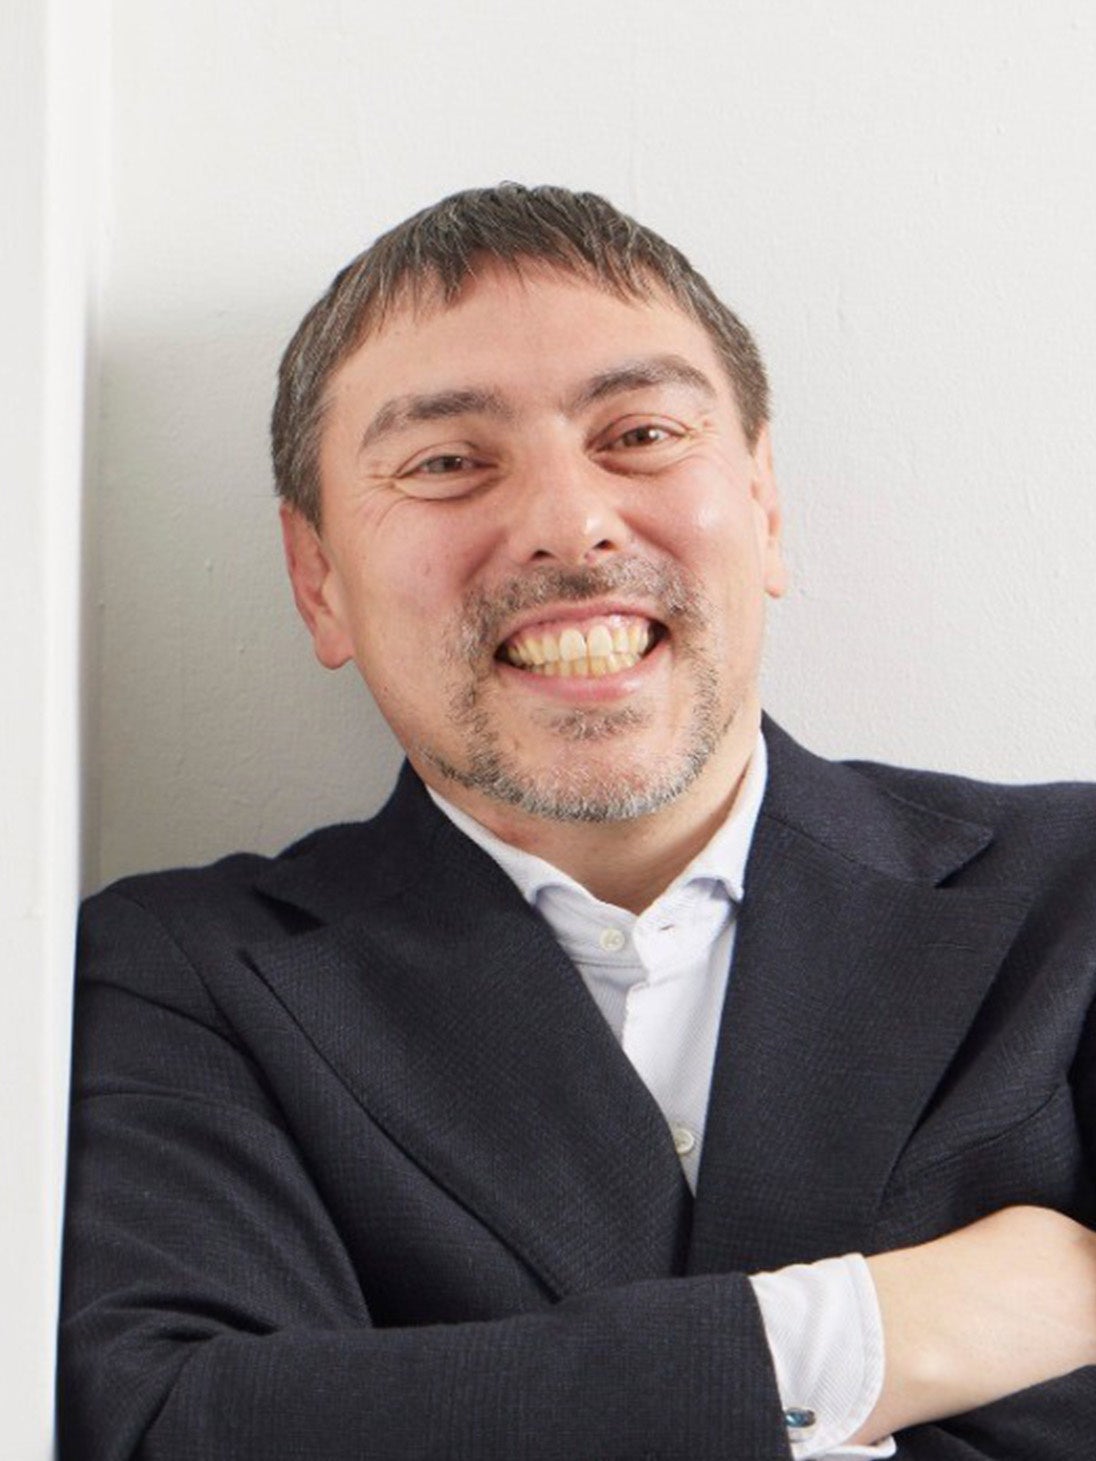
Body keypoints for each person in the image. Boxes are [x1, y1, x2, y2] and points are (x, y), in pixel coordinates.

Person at [59, 184, 1096, 1460]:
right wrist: (877, 1336)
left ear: (764, 504)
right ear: (317, 579)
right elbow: (172, 1427)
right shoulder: (178, 977)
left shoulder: (1072, 891)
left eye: (641, 434)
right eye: (447, 463)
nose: (568, 523)